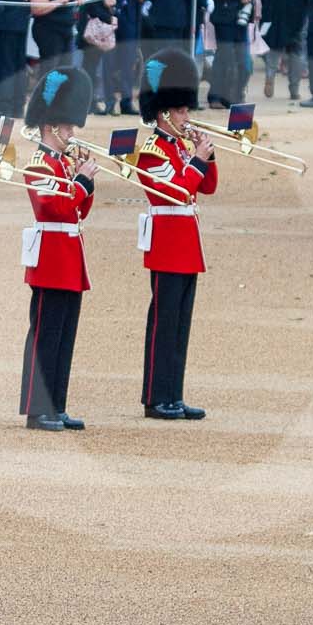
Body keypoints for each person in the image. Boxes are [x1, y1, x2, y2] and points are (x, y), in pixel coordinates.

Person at [133, 49, 218, 420]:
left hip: (186, 242)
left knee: (180, 325)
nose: (187, 116)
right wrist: (197, 159)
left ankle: (174, 394)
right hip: (168, 242)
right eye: (182, 110)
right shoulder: (152, 152)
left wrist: (207, 156)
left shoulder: (180, 146)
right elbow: (176, 190)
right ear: (164, 111)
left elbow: (207, 187)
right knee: (164, 323)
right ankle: (155, 396)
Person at [18, 67, 97, 432]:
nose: (72, 133)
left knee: (64, 335)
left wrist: (84, 183)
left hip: (68, 253)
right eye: (68, 127)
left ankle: (57, 404)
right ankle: (38, 408)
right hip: (51, 256)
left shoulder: (62, 164)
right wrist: (80, 181)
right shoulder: (39, 164)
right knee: (46, 335)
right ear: (51, 127)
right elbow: (55, 208)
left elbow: (77, 210)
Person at [205, 0, 254, 108]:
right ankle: (216, 97)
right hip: (225, 16)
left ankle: (234, 94)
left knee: (242, 60)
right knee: (224, 58)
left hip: (239, 17)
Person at [27, 0, 76, 74]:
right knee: (50, 69)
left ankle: (62, 93)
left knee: (65, 69)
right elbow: (37, 9)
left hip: (65, 31)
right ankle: (45, 93)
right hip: (49, 32)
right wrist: (59, 1)